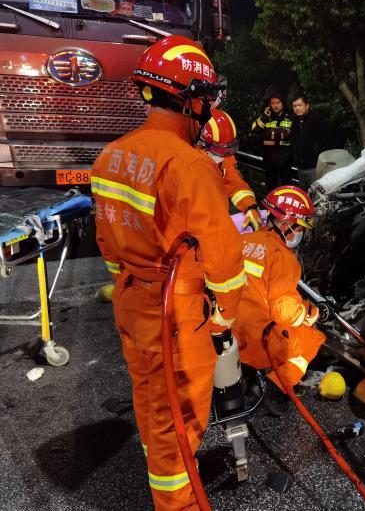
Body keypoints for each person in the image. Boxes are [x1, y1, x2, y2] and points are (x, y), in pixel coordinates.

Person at [91, 35, 246, 511]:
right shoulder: (188, 164)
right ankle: (179, 501)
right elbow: (221, 255)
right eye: (203, 99)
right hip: (176, 312)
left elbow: (108, 245)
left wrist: (130, 281)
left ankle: (174, 477)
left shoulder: (109, 157)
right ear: (189, 98)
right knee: (179, 416)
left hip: (134, 303)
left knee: (155, 406)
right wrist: (223, 315)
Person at [232, 185, 325, 415]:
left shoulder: (244, 240)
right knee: (312, 338)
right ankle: (272, 387)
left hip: (224, 334)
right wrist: (309, 312)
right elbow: (286, 313)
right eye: (300, 227)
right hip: (254, 344)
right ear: (286, 224)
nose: (301, 233)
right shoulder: (282, 257)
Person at [200, 108, 263, 231]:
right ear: (202, 144)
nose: (225, 154)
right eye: (220, 149)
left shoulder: (224, 156)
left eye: (229, 148)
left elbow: (236, 185)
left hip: (216, 221)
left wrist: (250, 206)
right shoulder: (188, 162)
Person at [251, 93, 294, 190]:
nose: (275, 105)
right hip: (269, 161)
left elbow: (295, 137)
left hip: (285, 161)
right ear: (269, 105)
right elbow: (254, 129)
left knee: (286, 188)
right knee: (270, 187)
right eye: (273, 103)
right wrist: (264, 117)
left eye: (278, 102)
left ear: (282, 104)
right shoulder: (265, 118)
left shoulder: (290, 118)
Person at [290, 94, 329, 190]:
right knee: (304, 195)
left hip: (315, 167)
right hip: (300, 167)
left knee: (316, 195)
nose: (297, 108)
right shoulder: (294, 121)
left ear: (307, 106)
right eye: (295, 106)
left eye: (300, 105)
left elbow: (325, 141)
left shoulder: (316, 119)